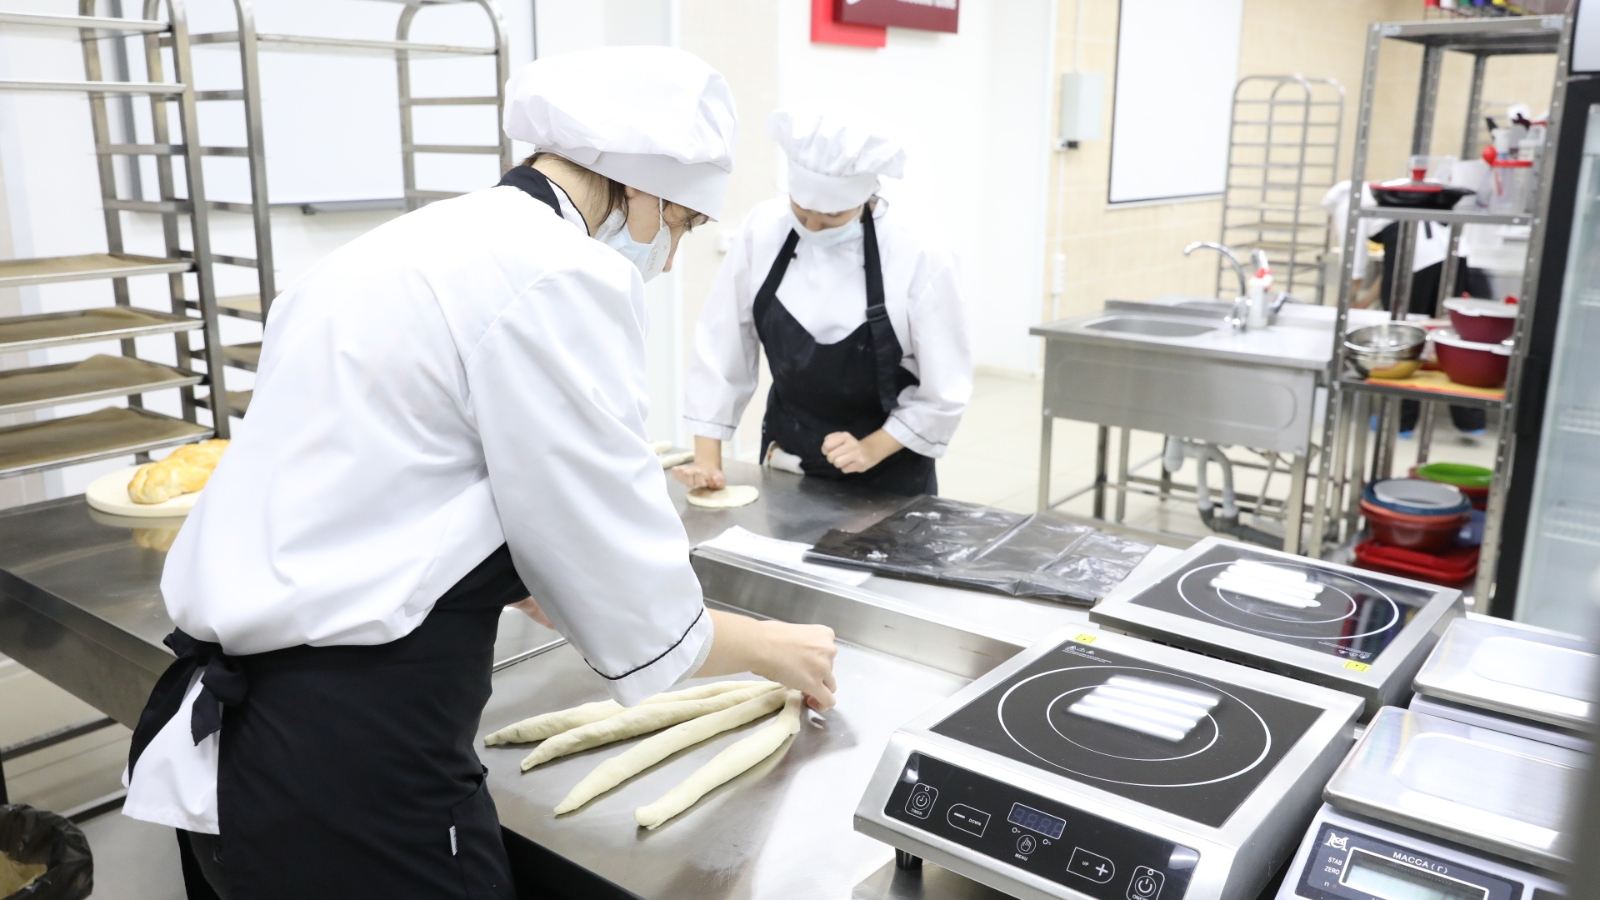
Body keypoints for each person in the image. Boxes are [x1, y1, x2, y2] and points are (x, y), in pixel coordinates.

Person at [119, 47, 837, 900]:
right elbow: (633, 596)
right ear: (637, 188)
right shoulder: (559, 273)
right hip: (361, 767)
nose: (671, 257)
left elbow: (406, 482)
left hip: (239, 755)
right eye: (679, 224)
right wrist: (779, 650)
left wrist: (535, 577)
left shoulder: (403, 246)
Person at [672, 110, 971, 497]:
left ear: (865, 196)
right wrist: (708, 460)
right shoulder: (763, 228)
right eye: (800, 209)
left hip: (889, 472)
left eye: (831, 216)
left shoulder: (920, 252)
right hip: (785, 458)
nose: (811, 226)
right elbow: (722, 343)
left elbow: (944, 389)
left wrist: (871, 448)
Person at [1321, 181, 1489, 436]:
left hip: (1416, 263)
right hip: (1455, 255)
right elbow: (1395, 265)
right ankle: (1470, 420)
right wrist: (1365, 302)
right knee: (1450, 335)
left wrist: (1338, 309)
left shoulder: (1347, 205)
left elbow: (1354, 267)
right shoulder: (1389, 194)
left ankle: (1400, 420)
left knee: (1404, 339)